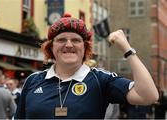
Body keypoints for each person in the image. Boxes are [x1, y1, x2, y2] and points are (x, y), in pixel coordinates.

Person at [14, 13, 159, 119]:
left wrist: (128, 51)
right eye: (61, 39)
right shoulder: (33, 80)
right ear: (51, 47)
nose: (68, 45)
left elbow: (148, 96)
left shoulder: (101, 79)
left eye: (76, 40)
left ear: (85, 47)